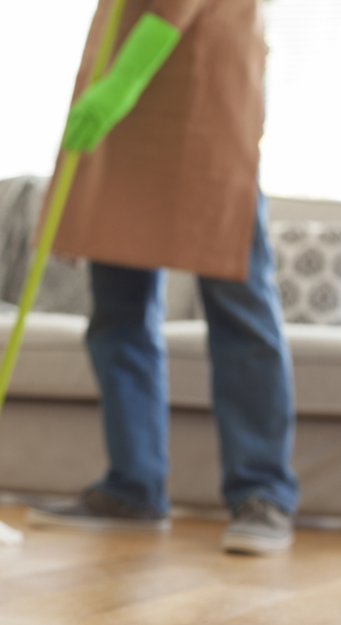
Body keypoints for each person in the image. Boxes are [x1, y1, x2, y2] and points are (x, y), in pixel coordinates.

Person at [28, 0, 299, 555]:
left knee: (238, 299)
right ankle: (133, 486)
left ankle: (262, 491)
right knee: (117, 305)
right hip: (128, 65)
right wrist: (117, 79)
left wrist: (124, 79)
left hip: (202, 76)